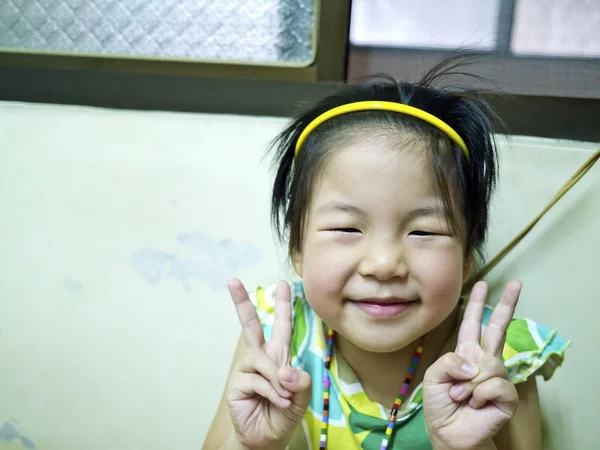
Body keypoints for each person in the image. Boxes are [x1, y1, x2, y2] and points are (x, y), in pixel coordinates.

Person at [203, 56, 570, 450]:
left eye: (423, 231)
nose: (383, 265)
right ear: (297, 248)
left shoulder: (499, 360)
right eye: (346, 228)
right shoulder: (278, 333)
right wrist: (254, 445)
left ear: (468, 255)